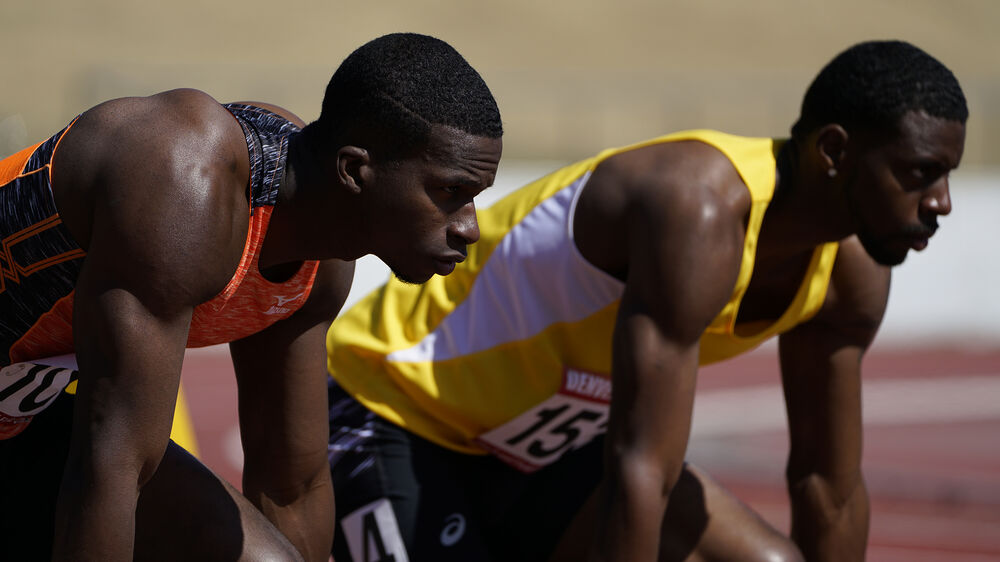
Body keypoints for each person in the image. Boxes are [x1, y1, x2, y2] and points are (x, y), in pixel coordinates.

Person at [324, 39, 967, 562]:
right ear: (834, 152)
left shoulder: (852, 271)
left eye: (946, 176)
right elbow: (640, 466)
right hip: (394, 408)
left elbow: (830, 486)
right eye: (917, 173)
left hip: (542, 451)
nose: (940, 203)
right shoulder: (697, 207)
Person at [0, 32, 503, 561]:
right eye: (450, 192)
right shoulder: (181, 177)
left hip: (31, 421)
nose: (469, 228)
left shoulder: (323, 257)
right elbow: (114, 460)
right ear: (355, 171)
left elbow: (293, 483)